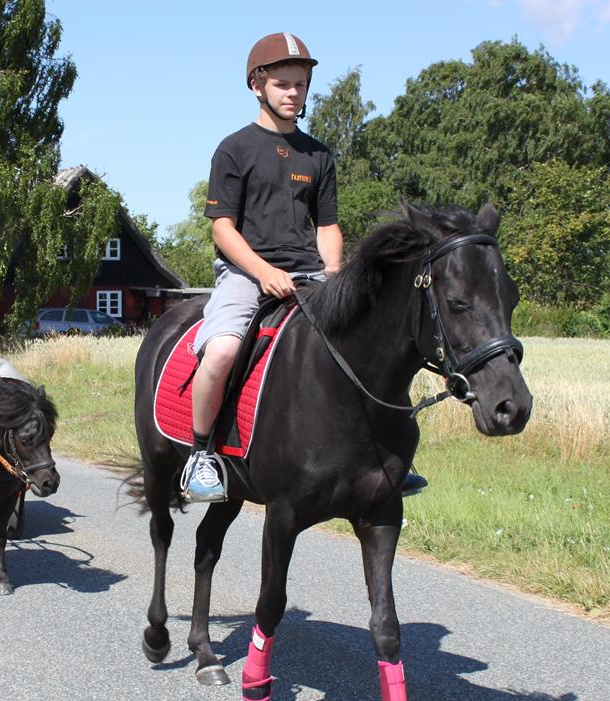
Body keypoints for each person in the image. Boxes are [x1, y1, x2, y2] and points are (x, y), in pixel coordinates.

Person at [181, 32, 427, 502]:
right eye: (282, 84)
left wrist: (334, 274)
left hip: (311, 274)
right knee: (222, 352)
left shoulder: (319, 155)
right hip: (245, 274)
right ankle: (201, 454)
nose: (293, 93)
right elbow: (223, 229)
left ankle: (391, 454)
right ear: (257, 85)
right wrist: (262, 272)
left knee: (376, 341)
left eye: (300, 84)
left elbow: (328, 226)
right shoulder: (234, 149)